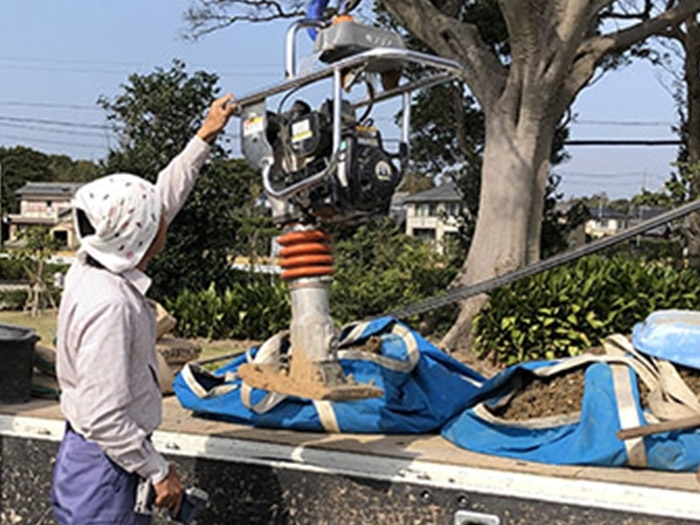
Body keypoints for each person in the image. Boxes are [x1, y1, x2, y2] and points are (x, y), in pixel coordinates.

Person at [51, 93, 237, 524]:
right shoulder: (111, 307)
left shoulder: (91, 261)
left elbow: (161, 201)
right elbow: (103, 416)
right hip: (107, 465)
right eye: (156, 221)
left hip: (95, 456)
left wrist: (204, 136)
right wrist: (158, 471)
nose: (164, 220)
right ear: (139, 239)